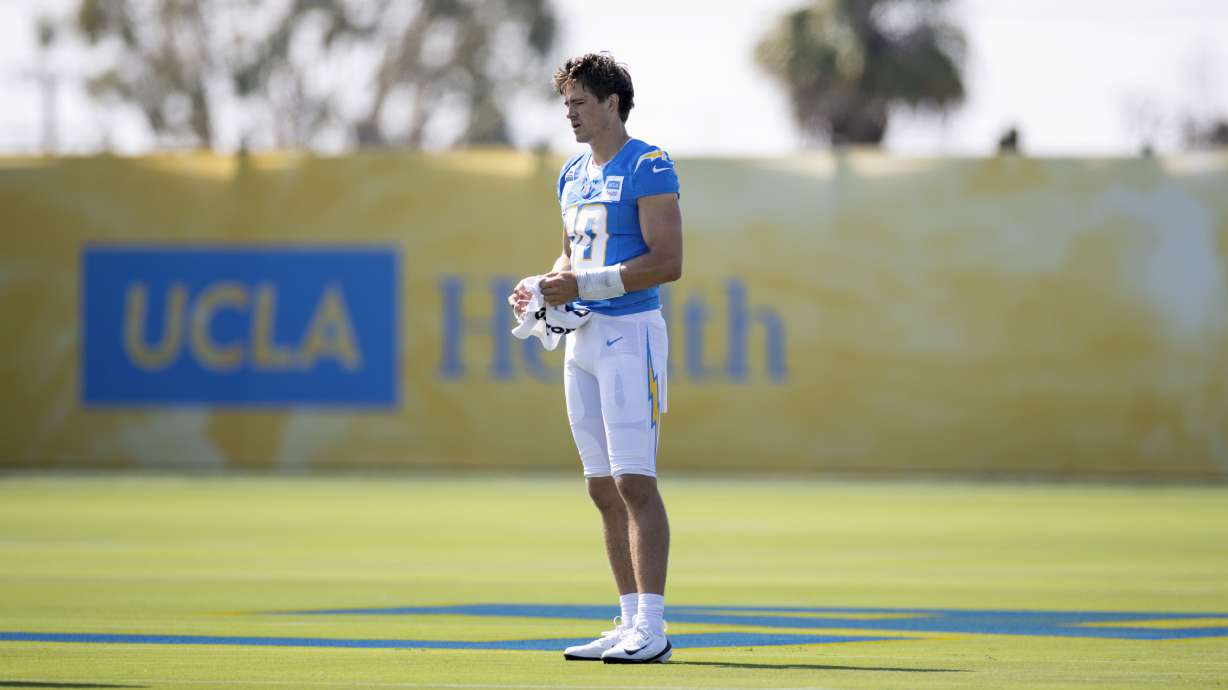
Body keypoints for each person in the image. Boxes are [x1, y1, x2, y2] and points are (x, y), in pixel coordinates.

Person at [508, 52, 682, 665]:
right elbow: (568, 260)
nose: (571, 114)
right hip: (581, 342)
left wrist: (581, 285)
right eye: (567, 104)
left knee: (636, 480)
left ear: (613, 103)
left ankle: (654, 627)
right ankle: (629, 618)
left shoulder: (649, 164)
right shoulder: (572, 172)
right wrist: (543, 285)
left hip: (631, 336)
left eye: (581, 103)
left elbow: (667, 262)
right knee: (601, 486)